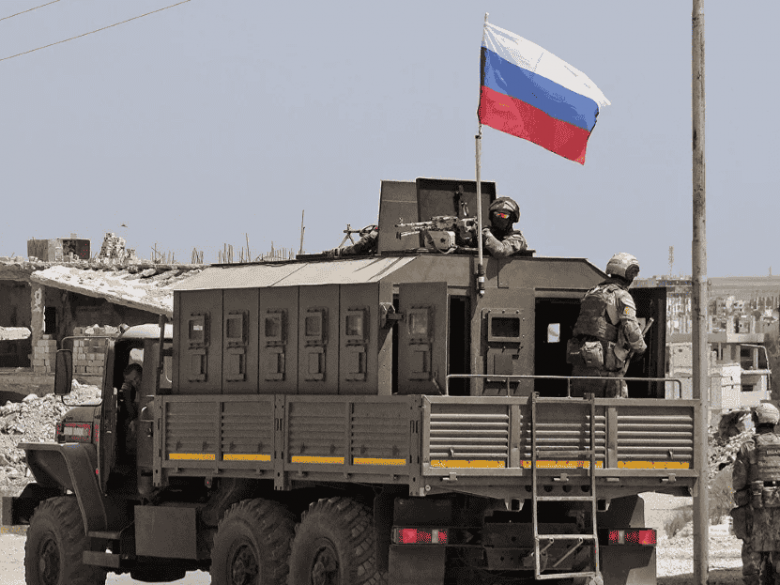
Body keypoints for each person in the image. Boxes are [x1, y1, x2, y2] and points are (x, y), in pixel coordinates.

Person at [567, 253, 646, 398]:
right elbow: (630, 328)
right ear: (628, 273)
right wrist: (640, 348)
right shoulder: (621, 296)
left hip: (581, 364)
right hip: (606, 370)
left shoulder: (591, 292)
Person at [732, 403, 780, 585]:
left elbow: (738, 481)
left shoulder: (748, 447)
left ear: (756, 420)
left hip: (756, 507)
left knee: (752, 549)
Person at [118, 363, 142, 460]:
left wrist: (135, 422)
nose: (135, 383)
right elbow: (133, 414)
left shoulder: (149, 388)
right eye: (131, 382)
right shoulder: (137, 391)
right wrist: (126, 396)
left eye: (136, 379)